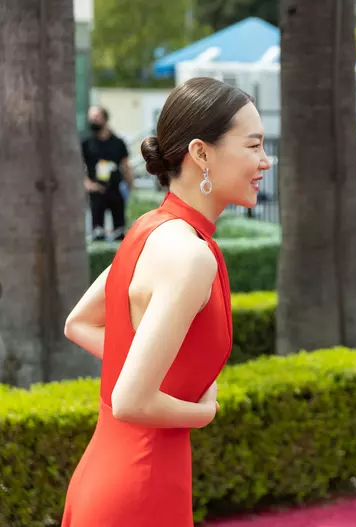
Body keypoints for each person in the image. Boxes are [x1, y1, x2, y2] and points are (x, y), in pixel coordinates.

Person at [61, 77, 271, 526]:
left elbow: (79, 324)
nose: (265, 161)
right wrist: (203, 410)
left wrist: (161, 374)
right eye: (253, 146)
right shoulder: (190, 255)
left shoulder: (149, 228)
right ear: (201, 153)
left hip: (112, 473)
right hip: (140, 487)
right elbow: (131, 400)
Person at [82, 106, 134, 241]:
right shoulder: (86, 143)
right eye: (91, 118)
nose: (93, 121)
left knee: (119, 232)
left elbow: (125, 165)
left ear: (105, 119)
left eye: (96, 117)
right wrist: (88, 184)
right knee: (97, 233)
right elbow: (78, 166)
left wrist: (130, 184)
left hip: (115, 189)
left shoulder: (118, 142)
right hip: (96, 190)